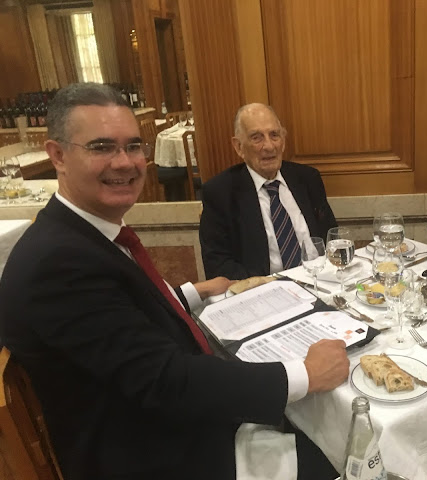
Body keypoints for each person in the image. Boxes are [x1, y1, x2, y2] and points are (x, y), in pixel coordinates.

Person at [0, 83, 349, 480]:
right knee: (343, 446)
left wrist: (189, 293)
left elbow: (120, 325)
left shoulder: (78, 235)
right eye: (102, 147)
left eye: (133, 146)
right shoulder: (59, 264)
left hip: (159, 421)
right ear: (58, 155)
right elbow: (167, 381)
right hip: (158, 454)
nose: (124, 162)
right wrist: (305, 374)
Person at [199, 103, 337, 280]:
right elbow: (217, 265)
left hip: (319, 280)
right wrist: (266, 284)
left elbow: (331, 236)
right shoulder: (220, 193)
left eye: (274, 135)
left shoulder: (307, 178)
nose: (269, 146)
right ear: (239, 147)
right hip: (264, 288)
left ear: (283, 141)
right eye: (257, 138)